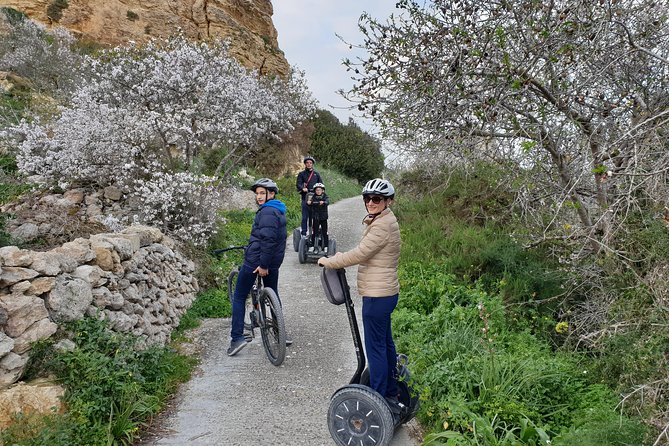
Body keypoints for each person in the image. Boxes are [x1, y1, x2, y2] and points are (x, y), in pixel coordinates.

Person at [317, 178, 402, 410]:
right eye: (367, 198)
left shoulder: (382, 225)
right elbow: (367, 252)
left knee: (375, 348)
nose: (371, 203)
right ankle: (391, 392)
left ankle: (379, 397)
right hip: (384, 293)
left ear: (388, 201)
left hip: (377, 295)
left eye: (377, 199)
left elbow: (361, 254)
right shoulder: (383, 220)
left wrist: (331, 260)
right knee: (385, 344)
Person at [228, 178, 291, 356]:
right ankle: (280, 334)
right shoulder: (278, 209)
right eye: (257, 193)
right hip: (273, 261)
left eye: (262, 193)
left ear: (271, 194)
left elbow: (268, 240)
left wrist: (262, 265)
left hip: (258, 261)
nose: (259, 196)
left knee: (240, 296)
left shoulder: (267, 212)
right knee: (273, 295)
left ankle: (236, 338)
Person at [295, 155, 322, 237]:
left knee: (315, 217)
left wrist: (320, 191)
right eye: (307, 163)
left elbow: (321, 185)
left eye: (310, 163)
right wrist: (303, 188)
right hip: (305, 198)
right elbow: (298, 184)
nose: (309, 164)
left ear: (312, 164)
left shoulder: (316, 175)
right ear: (305, 164)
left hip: (315, 199)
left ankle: (315, 232)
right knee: (305, 217)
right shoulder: (301, 174)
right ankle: (303, 233)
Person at [307, 182, 329, 250]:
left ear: (322, 191)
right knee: (315, 232)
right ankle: (313, 245)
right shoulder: (313, 197)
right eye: (317, 190)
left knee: (324, 232)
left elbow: (327, 202)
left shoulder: (325, 196)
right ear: (315, 191)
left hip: (323, 217)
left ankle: (326, 246)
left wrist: (324, 202)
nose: (318, 191)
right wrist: (309, 202)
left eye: (319, 190)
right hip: (316, 217)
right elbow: (309, 202)